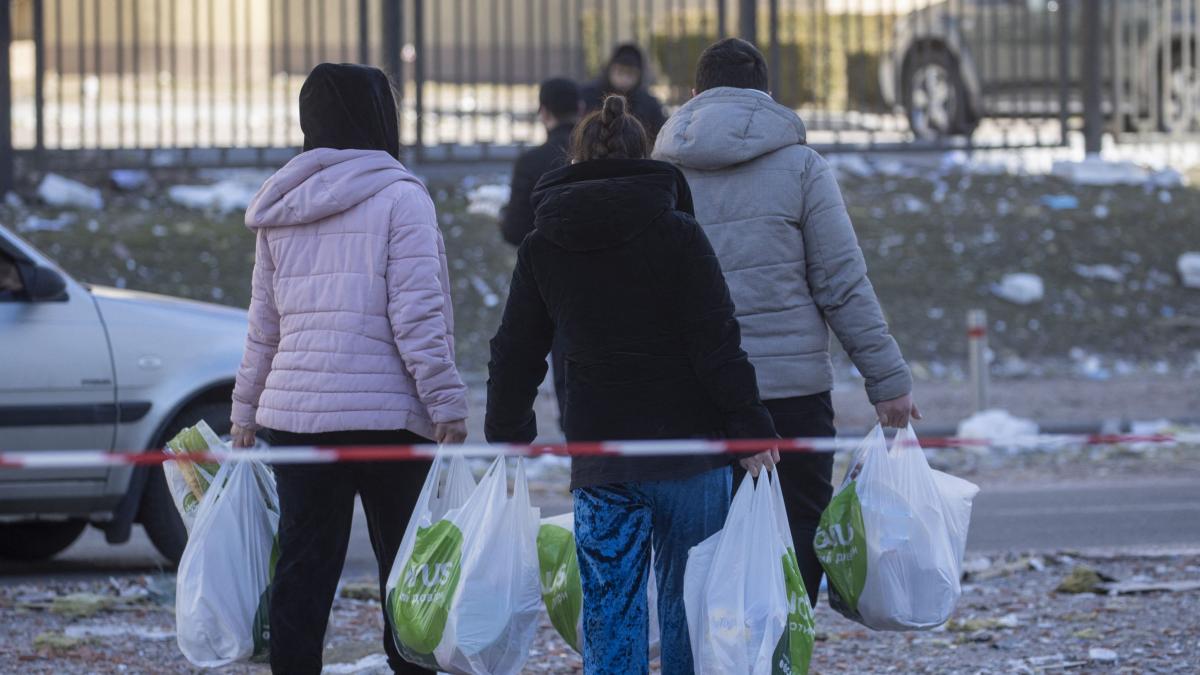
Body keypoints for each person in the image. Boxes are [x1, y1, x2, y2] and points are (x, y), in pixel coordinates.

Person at [485, 94, 778, 675]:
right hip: (690, 450)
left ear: (575, 158)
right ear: (646, 156)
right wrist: (750, 425)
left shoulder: (544, 244)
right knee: (687, 607)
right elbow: (716, 340)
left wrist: (508, 432)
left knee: (609, 611)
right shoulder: (679, 233)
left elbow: (515, 349)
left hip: (601, 450)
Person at [653, 38, 919, 609]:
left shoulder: (661, 170)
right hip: (790, 392)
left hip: (692, 393)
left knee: (703, 551)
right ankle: (781, 653)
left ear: (694, 95)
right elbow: (841, 282)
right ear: (765, 96)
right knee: (796, 539)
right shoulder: (801, 166)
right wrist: (887, 379)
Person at [229, 63, 469, 675]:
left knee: (303, 570)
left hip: (296, 416)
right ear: (380, 118)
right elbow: (418, 315)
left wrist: (245, 410)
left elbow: (265, 323)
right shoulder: (401, 197)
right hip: (386, 419)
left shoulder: (281, 203)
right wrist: (446, 404)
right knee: (405, 571)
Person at [500, 77, 581, 246]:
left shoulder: (530, 162)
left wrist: (502, 215)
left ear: (543, 113)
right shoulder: (598, 154)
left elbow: (515, 230)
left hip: (546, 263)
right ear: (581, 109)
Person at [580, 44, 667, 139]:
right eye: (620, 71)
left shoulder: (649, 104)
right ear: (610, 69)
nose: (624, 79)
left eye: (630, 73)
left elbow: (661, 137)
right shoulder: (589, 95)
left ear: (639, 76)